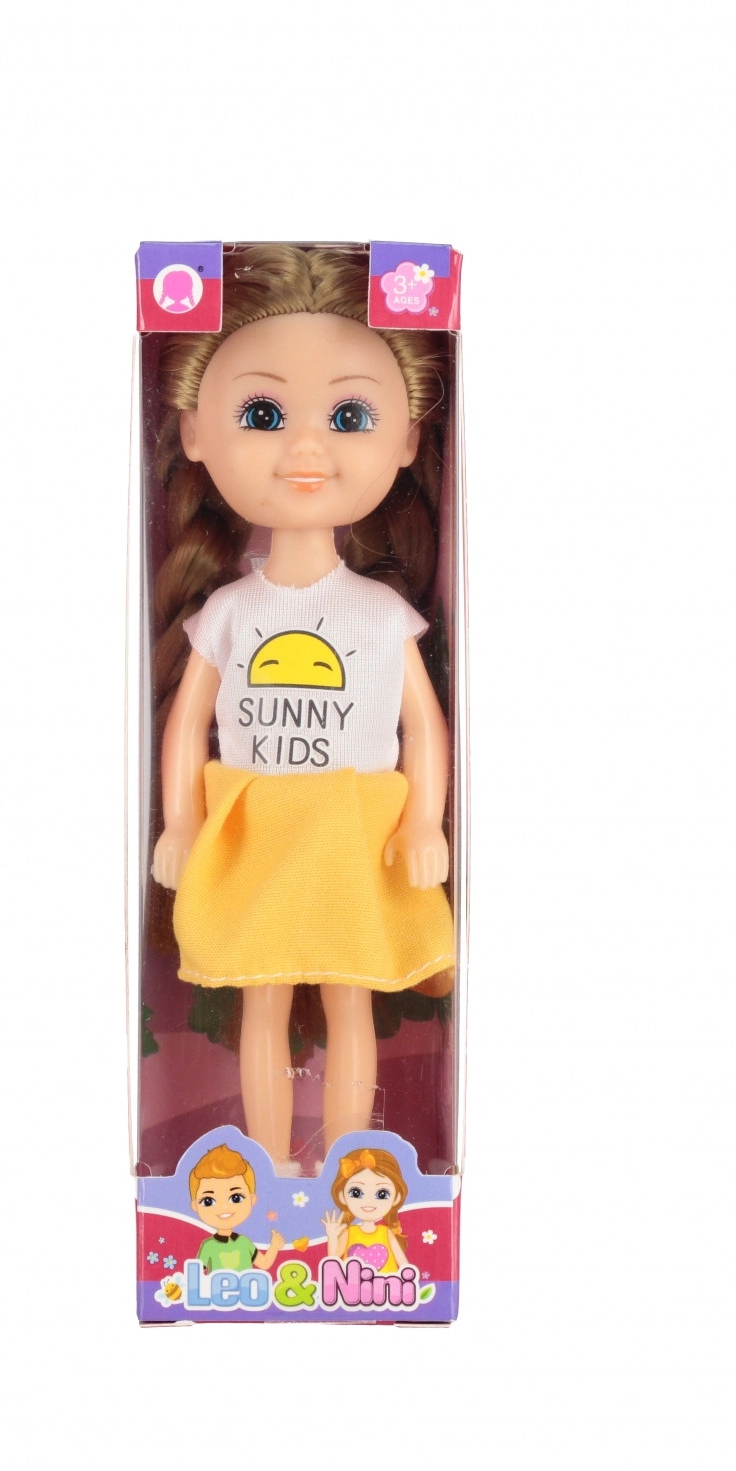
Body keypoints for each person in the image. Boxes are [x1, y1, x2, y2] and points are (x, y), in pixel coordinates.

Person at [150, 245, 455, 1170]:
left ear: (408, 441)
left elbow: (422, 726)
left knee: (352, 994)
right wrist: (181, 823)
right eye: (263, 415)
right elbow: (187, 725)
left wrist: (426, 821)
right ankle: (268, 1165)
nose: (308, 449)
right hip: (256, 829)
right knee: (263, 997)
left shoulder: (380, 613)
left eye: (350, 417)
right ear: (193, 432)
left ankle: (358, 1167)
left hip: (355, 829)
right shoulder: (229, 612)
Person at [189, 1143, 283, 1273]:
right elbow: (195, 1273)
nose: (223, 1207)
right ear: (195, 1206)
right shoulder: (208, 1246)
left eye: (236, 1198)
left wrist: (274, 1247)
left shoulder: (244, 1242)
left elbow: (265, 1263)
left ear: (252, 1199)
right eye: (208, 1201)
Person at [319, 1146, 411, 1272]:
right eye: (356, 1193)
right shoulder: (349, 1232)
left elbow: (404, 1264)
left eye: (382, 1194)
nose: (369, 1202)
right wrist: (332, 1237)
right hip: (352, 1283)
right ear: (342, 1196)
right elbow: (333, 1258)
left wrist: (408, 1278)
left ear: (396, 1197)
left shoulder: (386, 1233)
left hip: (388, 1283)